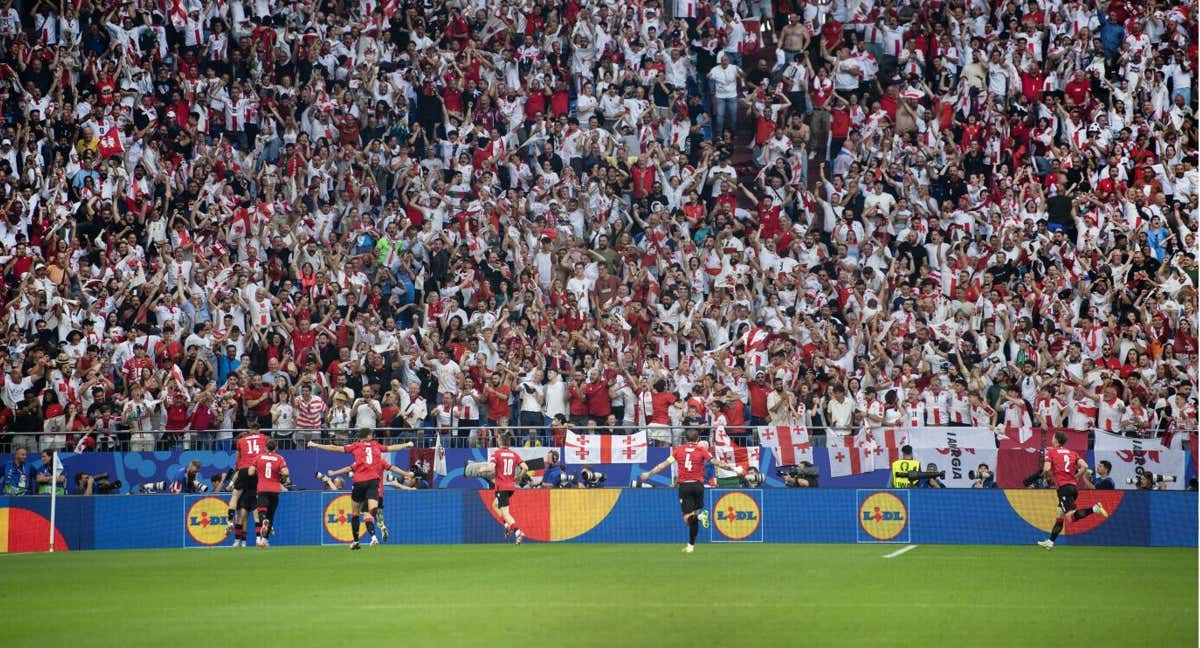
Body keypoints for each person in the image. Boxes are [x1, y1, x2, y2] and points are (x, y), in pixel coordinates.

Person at [639, 428, 742, 553]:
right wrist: (734, 469)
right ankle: (691, 545)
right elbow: (717, 463)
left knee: (687, 518)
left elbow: (663, 465)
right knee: (692, 516)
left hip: (685, 486)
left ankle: (699, 517)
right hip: (698, 486)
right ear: (698, 439)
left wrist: (649, 474)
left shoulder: (678, 450)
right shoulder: (702, 450)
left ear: (685, 439)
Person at [307, 430, 413, 549]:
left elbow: (335, 448)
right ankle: (376, 515)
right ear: (368, 436)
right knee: (372, 509)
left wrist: (316, 445)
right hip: (374, 482)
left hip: (359, 482)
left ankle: (356, 542)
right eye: (371, 435)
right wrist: (406, 445)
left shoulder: (356, 446)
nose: (372, 437)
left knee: (355, 513)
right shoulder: (376, 445)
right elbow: (392, 448)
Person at [1038, 431, 1109, 550]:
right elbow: (1085, 466)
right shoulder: (1072, 453)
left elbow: (1046, 468)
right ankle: (1050, 541)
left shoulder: (1051, 452)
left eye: (1053, 437)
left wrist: (1046, 478)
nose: (1052, 439)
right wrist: (1077, 476)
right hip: (1073, 487)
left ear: (1055, 440)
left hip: (1064, 489)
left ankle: (1094, 508)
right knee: (1059, 515)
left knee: (1070, 518)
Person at [228, 423, 270, 547]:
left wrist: (236, 475)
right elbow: (268, 453)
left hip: (244, 469)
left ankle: (230, 520)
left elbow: (238, 458)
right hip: (257, 470)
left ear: (249, 431)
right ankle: (261, 534)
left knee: (235, 496)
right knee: (259, 502)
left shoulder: (241, 440)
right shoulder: (265, 438)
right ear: (259, 430)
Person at [248, 440, 289, 547]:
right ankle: (265, 541)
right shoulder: (280, 458)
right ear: (275, 448)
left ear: (265, 448)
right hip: (275, 489)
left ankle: (264, 522)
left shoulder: (258, 457)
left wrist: (258, 471)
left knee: (262, 511)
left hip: (262, 488)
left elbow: (250, 472)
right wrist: (281, 476)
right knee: (271, 514)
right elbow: (286, 472)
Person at [490, 432, 529, 544]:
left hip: (501, 487)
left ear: (500, 442)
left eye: (498, 439)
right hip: (510, 487)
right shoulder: (514, 454)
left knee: (505, 513)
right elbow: (525, 467)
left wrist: (481, 469)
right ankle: (507, 525)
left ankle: (517, 531)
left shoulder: (497, 453)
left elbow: (491, 468)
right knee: (494, 505)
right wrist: (519, 477)